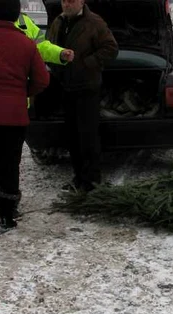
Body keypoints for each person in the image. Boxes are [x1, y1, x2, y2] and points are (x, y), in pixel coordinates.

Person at [0, 0, 74, 218]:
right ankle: (4, 210)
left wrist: (59, 53)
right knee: (4, 162)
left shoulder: (19, 22)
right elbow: (41, 77)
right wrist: (22, 92)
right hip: (10, 110)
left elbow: (41, 46)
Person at [45, 0, 118, 193]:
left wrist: (87, 64)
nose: (66, 4)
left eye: (71, 1)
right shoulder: (58, 22)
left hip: (87, 88)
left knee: (88, 137)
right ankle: (78, 179)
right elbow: (48, 46)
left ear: (81, 2)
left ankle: (92, 182)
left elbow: (111, 48)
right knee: (72, 136)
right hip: (65, 86)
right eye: (63, 1)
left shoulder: (94, 22)